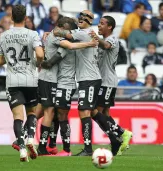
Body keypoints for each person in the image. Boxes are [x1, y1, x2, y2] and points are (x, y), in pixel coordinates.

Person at [53, 10, 122, 156]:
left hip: (90, 78)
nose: (81, 19)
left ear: (91, 21)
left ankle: (89, 148)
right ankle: (114, 137)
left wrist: (52, 31)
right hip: (88, 78)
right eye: (80, 17)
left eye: (85, 17)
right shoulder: (87, 33)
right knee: (93, 111)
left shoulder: (85, 33)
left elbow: (63, 34)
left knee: (84, 111)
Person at [36, 17, 98, 156]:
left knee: (61, 115)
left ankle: (66, 149)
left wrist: (45, 63)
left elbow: (53, 60)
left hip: (66, 84)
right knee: (55, 115)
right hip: (59, 82)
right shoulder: (69, 41)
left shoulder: (68, 44)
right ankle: (52, 145)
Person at [0, 4, 44, 162]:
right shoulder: (32, 34)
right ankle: (30, 137)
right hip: (30, 79)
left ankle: (22, 148)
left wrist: (10, 61)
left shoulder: (3, 36)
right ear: (25, 17)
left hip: (13, 81)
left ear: (11, 17)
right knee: (31, 113)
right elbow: (39, 54)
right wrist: (37, 62)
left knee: (17, 117)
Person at [92, 15, 132, 155]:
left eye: (102, 23)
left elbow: (107, 46)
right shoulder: (101, 40)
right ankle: (120, 136)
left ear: (110, 27)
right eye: (99, 23)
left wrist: (96, 39)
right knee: (106, 113)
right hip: (102, 80)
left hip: (107, 81)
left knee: (95, 111)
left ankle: (120, 134)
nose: (98, 25)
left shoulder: (113, 39)